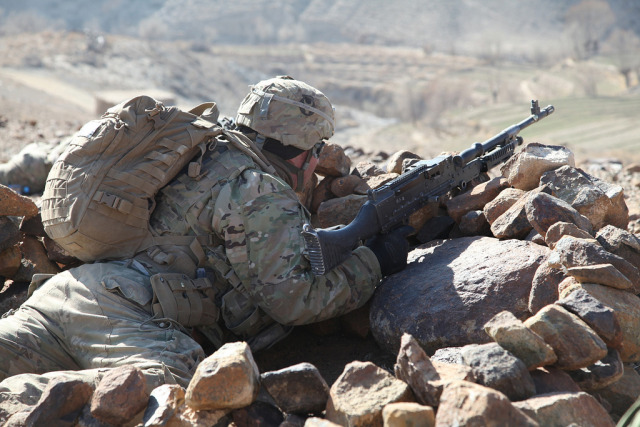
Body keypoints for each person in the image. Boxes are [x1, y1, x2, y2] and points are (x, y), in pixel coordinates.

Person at [0, 76, 410, 419]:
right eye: (317, 152)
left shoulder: (201, 151)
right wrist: (375, 262)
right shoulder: (258, 190)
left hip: (67, 293)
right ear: (306, 153)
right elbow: (295, 301)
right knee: (167, 391)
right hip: (128, 315)